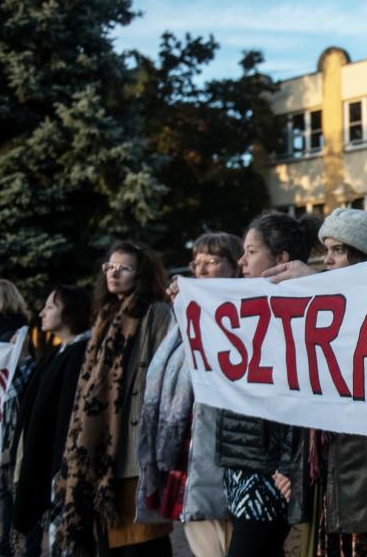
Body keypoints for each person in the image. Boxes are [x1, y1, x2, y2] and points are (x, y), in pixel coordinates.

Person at [265, 208, 367, 557]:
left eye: (338, 250)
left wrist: (314, 284)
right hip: (330, 476)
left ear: (363, 255)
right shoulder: (321, 302)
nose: (326, 260)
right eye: (325, 250)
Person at [54, 241, 175, 556]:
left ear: (141, 274)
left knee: (144, 544)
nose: (114, 273)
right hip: (102, 453)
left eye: (124, 268)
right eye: (110, 266)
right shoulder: (105, 317)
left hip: (136, 450)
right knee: (111, 546)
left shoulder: (157, 312)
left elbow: (166, 373)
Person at [216, 213, 319, 557]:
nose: (241, 261)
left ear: (282, 260)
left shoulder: (303, 315)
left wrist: (292, 463)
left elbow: (304, 394)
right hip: (242, 463)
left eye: (251, 251)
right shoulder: (247, 309)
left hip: (269, 472)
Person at [165, 232, 243, 557]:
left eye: (212, 261)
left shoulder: (248, 310)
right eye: (196, 263)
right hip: (194, 452)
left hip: (236, 453)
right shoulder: (183, 312)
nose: (202, 270)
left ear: (235, 265)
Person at [12, 285, 92, 554]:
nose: (42, 313)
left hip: (65, 469)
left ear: (68, 313)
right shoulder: (57, 354)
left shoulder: (79, 354)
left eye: (50, 307)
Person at [0, 279, 40, 557]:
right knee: (13, 492)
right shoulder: (7, 332)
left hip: (9, 427)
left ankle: (15, 549)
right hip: (5, 423)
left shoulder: (12, 335)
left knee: (14, 492)